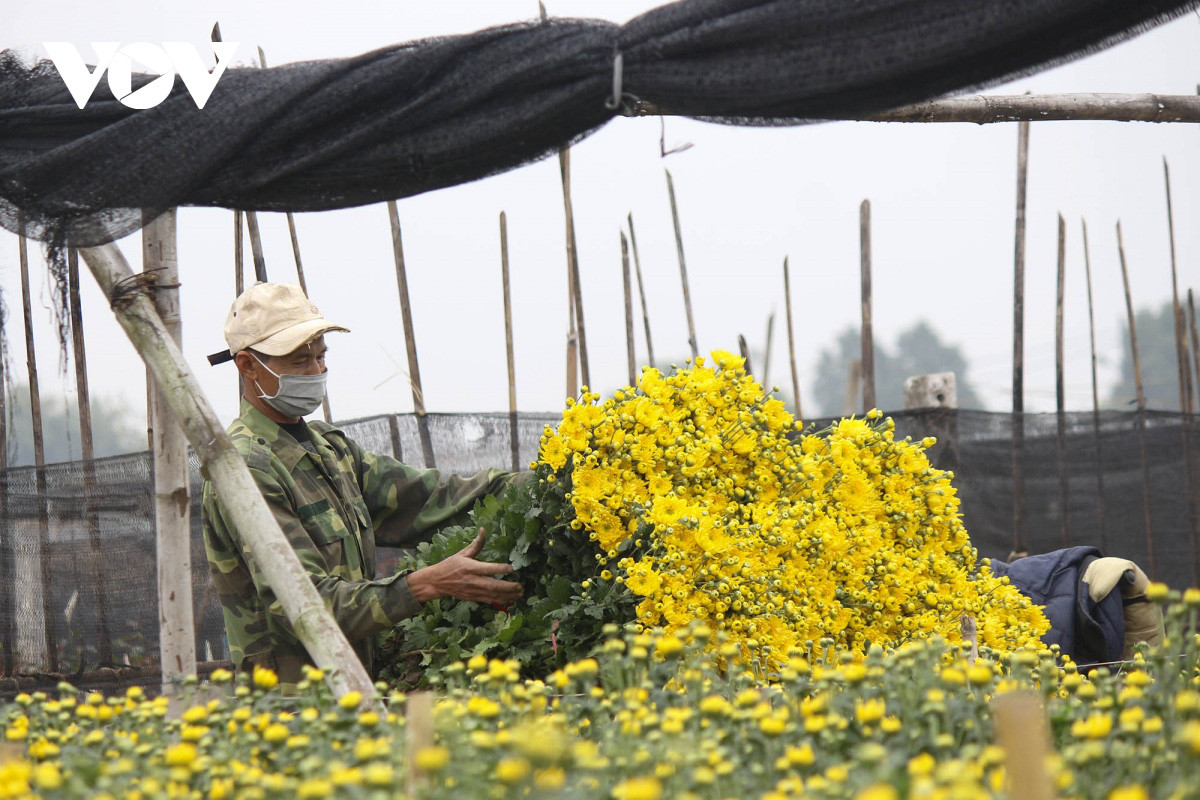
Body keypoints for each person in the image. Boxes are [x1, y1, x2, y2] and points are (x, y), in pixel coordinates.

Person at [201, 282, 523, 685]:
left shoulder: (330, 450)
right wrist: (427, 584)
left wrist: (555, 477)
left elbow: (438, 499)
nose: (317, 372)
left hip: (355, 693)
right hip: (293, 712)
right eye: (300, 361)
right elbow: (307, 607)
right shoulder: (247, 468)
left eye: (321, 357)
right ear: (248, 366)